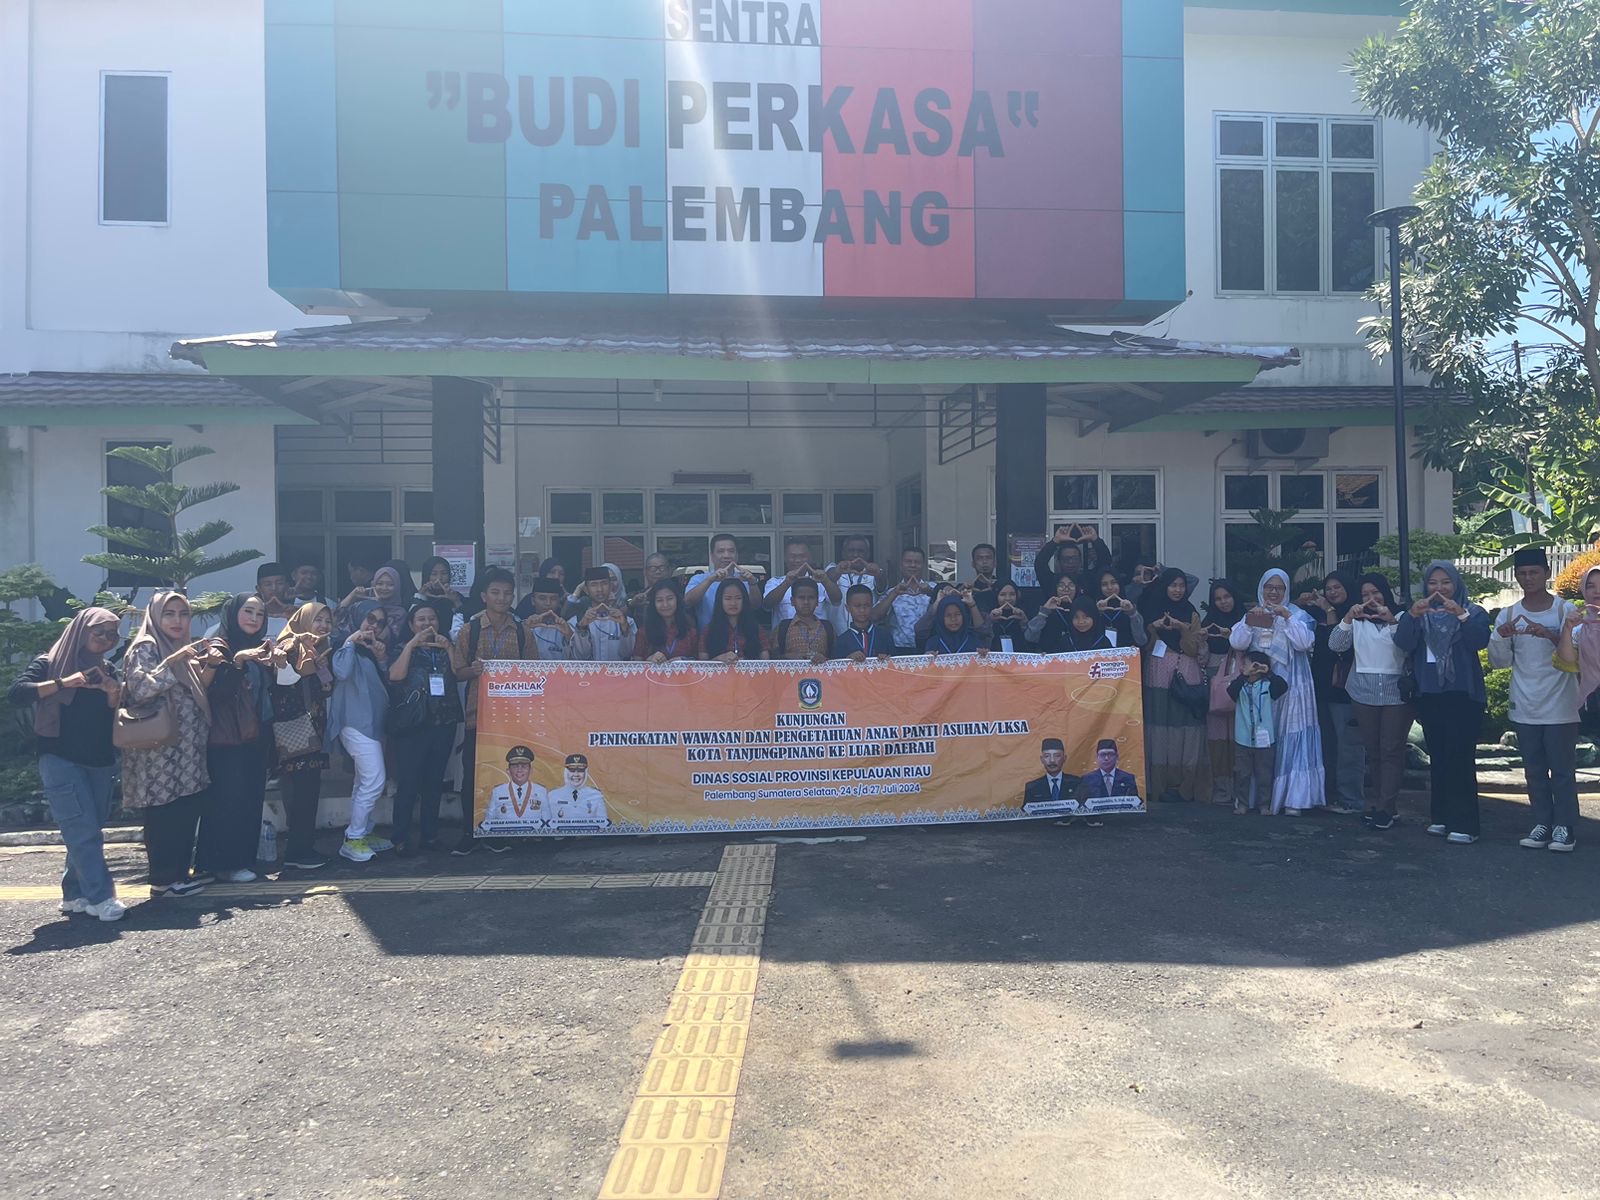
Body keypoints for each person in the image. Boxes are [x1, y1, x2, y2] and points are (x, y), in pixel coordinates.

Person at [8, 608, 126, 920]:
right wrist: (64, 682)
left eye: (112, 635)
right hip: (59, 757)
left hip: (100, 759)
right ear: (81, 631)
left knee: (89, 828)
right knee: (82, 829)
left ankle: (74, 894)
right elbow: (17, 693)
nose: (105, 639)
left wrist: (112, 691)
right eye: (99, 632)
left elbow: (113, 715)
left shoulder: (107, 669)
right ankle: (101, 897)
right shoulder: (48, 663)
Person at [120, 591, 221, 897]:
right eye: (169, 614)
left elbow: (193, 689)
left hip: (186, 748)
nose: (178, 621)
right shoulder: (147, 646)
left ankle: (179, 875)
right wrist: (172, 663)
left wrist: (208, 665)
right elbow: (140, 688)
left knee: (184, 810)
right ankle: (164, 880)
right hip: (159, 749)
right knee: (164, 813)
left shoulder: (178, 647)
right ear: (155, 616)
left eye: (183, 614)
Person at [1393, 560, 1491, 844]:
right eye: (1433, 583)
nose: (1440, 588)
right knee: (1439, 756)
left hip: (1463, 694)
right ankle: (1442, 816)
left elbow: (1478, 641)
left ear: (1456, 584)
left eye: (1446, 582)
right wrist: (1412, 615)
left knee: (1460, 756)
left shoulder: (1473, 612)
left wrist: (1460, 614)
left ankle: (1466, 824)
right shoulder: (1420, 614)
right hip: (1430, 693)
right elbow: (1404, 643)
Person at [1490, 548, 1581, 852]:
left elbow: (1578, 656)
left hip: (1562, 703)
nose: (1527, 578)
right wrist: (1501, 636)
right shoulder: (1508, 614)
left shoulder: (1565, 610)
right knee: (1533, 769)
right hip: (1525, 702)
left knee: (1563, 770)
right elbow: (1499, 662)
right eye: (1522, 573)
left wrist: (1551, 635)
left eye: (1534, 572)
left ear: (1546, 574)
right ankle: (1542, 822)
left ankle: (1564, 826)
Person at [196, 594, 280, 883]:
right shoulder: (220, 646)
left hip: (254, 737)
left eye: (260, 613)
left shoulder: (261, 647)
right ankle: (221, 863)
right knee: (227, 799)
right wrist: (239, 662)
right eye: (248, 611)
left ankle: (241, 860)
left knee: (249, 799)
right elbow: (216, 694)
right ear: (233, 614)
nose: (254, 618)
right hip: (227, 739)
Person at [1229, 569, 1324, 815]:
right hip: (1258, 688)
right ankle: (1258, 799)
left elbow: (1304, 643)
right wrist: (1250, 620)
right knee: (1262, 737)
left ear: (1286, 590)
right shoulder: (1254, 614)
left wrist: (1287, 616)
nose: (1273, 592)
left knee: (1290, 733)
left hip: (1291, 684)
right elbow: (1237, 642)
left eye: (1279, 588)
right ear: (1262, 588)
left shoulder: (1298, 614)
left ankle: (1293, 798)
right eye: (1269, 587)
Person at [450, 567, 528, 855]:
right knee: (473, 776)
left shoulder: (522, 632)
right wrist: (473, 670)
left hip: (511, 718)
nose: (502, 598)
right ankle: (469, 832)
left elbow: (534, 671)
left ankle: (498, 830)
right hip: (477, 715)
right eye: (495, 592)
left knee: (503, 775)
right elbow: (457, 671)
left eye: (507, 593)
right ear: (483, 596)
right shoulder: (469, 631)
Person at [1329, 573, 1411, 831]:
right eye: (1365, 595)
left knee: (1391, 749)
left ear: (1385, 592)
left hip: (1395, 692)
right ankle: (1384, 806)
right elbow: (1335, 645)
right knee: (1373, 750)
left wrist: (1390, 620)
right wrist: (1348, 617)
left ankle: (1387, 807)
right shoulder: (1358, 621)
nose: (1371, 599)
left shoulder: (1401, 617)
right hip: (1363, 692)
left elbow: (1408, 645)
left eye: (1375, 593)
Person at [387, 600, 463, 853]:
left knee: (434, 782)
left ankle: (430, 835)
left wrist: (448, 648)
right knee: (409, 782)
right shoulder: (401, 647)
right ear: (411, 624)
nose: (427, 623)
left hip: (443, 721)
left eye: (432, 618)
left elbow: (459, 673)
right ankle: (400, 837)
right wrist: (412, 644)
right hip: (413, 725)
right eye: (421, 619)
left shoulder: (445, 648)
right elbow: (395, 676)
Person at [327, 601, 394, 863]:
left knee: (363, 781)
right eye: (369, 618)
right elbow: (341, 672)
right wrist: (351, 640)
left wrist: (382, 658)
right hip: (355, 724)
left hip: (374, 725)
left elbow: (386, 682)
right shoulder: (343, 645)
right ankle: (353, 838)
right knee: (375, 780)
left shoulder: (370, 650)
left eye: (380, 622)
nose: (373, 625)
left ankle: (363, 831)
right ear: (357, 618)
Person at [1139, 568, 1211, 805]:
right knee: (1159, 727)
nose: (1178, 590)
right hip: (1157, 676)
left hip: (1186, 674)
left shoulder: (1190, 612)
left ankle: (1184, 787)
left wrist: (1182, 627)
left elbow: (1192, 648)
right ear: (1164, 586)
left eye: (1181, 586)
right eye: (1173, 585)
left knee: (1185, 728)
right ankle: (1158, 786)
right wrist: (1153, 626)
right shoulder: (1150, 610)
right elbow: (1144, 644)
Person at [271, 602, 335, 869]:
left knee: (309, 789)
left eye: (327, 621)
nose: (323, 625)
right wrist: (304, 657)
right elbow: (283, 682)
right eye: (318, 619)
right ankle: (297, 852)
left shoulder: (321, 648)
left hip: (313, 729)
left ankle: (303, 847)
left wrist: (322, 668)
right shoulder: (288, 645)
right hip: (294, 728)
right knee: (299, 792)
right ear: (304, 620)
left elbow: (326, 689)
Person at [1302, 571, 1367, 814]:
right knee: (1326, 745)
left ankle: (1351, 799)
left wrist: (1329, 612)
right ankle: (1328, 795)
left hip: (1345, 691)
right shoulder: (1319, 614)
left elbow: (1337, 646)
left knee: (1348, 747)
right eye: (1328, 588)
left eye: (1337, 587)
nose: (1332, 592)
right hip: (1321, 690)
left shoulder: (1357, 614)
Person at [1200, 580, 1247, 807]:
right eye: (1218, 599)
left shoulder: (1245, 621)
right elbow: (1201, 659)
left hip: (1240, 683)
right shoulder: (1208, 622)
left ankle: (1242, 790)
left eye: (1227, 597)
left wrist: (1234, 637)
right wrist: (1201, 640)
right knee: (1217, 739)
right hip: (1215, 686)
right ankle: (1222, 789)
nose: (1223, 602)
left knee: (1241, 737)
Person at [1226, 651, 1289, 815]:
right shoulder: (1240, 686)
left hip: (1265, 739)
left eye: (1246, 664)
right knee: (1242, 773)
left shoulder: (1268, 685)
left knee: (1264, 774)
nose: (1244, 667)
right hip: (1243, 737)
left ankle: (1264, 804)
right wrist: (1244, 675)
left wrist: (1267, 671)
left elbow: (1283, 687)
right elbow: (1230, 691)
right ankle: (1242, 803)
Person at [871, 547, 936, 656]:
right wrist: (895, 593)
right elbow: (874, 616)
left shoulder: (934, 588)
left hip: (929, 649)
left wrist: (930, 593)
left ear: (923, 566)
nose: (913, 565)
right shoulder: (892, 592)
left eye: (917, 562)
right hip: (899, 651)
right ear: (901, 565)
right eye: (908, 561)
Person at [685, 534, 758, 630]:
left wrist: (752, 583)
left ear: (737, 555)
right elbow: (688, 602)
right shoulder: (699, 579)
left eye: (731, 551)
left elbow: (755, 606)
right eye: (721, 551)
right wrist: (710, 580)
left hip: (741, 635)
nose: (726, 556)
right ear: (712, 556)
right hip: (708, 636)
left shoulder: (745, 578)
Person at [335, 564, 408, 658]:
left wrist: (378, 604)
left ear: (397, 586)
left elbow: (382, 637)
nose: (384, 588)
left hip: (379, 657)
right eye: (380, 584)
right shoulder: (363, 605)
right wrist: (352, 595)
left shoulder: (399, 613)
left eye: (390, 584)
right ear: (373, 584)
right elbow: (336, 620)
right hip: (350, 653)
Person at [766, 538, 843, 626]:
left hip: (817, 633)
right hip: (785, 633)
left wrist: (826, 580)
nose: (797, 560)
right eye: (792, 556)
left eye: (802, 556)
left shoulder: (821, 582)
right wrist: (786, 583)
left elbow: (837, 600)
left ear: (810, 558)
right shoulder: (775, 582)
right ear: (785, 558)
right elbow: (767, 605)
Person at [479, 746, 549, 834]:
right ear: (508, 771)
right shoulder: (497, 792)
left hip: (533, 838)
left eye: (524, 766)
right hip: (505, 837)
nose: (519, 770)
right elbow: (489, 821)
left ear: (531, 770)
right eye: (515, 766)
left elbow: (547, 822)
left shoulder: (541, 791)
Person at [572, 567, 637, 662]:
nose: (600, 589)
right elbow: (579, 657)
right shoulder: (575, 622)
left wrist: (624, 628)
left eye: (604, 583)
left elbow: (628, 655)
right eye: (594, 585)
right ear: (586, 590)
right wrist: (582, 628)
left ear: (611, 587)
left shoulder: (627, 621)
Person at [826, 535, 885, 632]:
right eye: (851, 551)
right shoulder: (834, 569)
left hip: (867, 635)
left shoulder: (875, 572)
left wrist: (878, 574)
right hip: (838, 635)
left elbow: (882, 584)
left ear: (868, 554)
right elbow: (829, 577)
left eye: (860, 551)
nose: (855, 554)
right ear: (843, 553)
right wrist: (838, 571)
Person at [702, 579, 769, 662]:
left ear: (744, 600)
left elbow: (766, 662)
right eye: (728, 598)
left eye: (738, 598)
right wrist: (718, 659)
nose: (733, 603)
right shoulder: (709, 630)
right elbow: (701, 664)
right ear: (720, 601)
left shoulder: (756, 629)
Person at [1034, 524, 1111, 596]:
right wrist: (1055, 540)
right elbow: (1040, 564)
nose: (1070, 562)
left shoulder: (1089, 580)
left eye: (1074, 558)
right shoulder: (1051, 581)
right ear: (1058, 561)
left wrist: (1095, 539)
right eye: (1066, 559)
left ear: (1080, 561)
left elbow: (1105, 563)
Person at [634, 579, 700, 662]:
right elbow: (636, 663)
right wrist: (649, 660)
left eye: (670, 599)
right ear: (653, 604)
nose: (665, 604)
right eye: (659, 600)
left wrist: (684, 660)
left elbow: (700, 661)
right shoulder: (643, 632)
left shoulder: (691, 631)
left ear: (677, 600)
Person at [772, 578, 836, 663]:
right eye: (801, 598)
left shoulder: (827, 627)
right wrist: (787, 657)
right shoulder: (783, 627)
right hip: (791, 671)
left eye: (811, 598)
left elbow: (837, 658)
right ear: (792, 601)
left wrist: (825, 660)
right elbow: (772, 658)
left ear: (817, 601)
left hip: (821, 671)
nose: (806, 602)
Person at [1022, 737, 1080, 817]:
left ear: (1064, 758)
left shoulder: (1077, 783)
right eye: (1047, 756)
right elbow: (1026, 814)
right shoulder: (1032, 787)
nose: (1052, 760)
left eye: (1057, 756)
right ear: (1041, 759)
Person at [1079, 739, 1140, 814]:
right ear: (1097, 757)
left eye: (1110, 754)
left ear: (1117, 756)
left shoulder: (1128, 778)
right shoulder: (1087, 779)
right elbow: (1082, 805)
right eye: (1102, 754)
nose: (1106, 758)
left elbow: (1135, 803)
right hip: (1096, 818)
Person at [919, 591, 989, 656]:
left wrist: (984, 656)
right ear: (941, 618)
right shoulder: (933, 643)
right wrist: (927, 659)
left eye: (957, 614)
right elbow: (919, 630)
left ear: (964, 616)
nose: (953, 619)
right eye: (948, 615)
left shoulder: (974, 641)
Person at [1025, 575, 1083, 652]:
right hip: (1049, 657)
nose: (1066, 589)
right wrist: (1044, 612)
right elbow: (1030, 637)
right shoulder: (1047, 609)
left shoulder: (1083, 608)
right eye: (1061, 585)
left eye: (1071, 585)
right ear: (1055, 588)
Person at [525, 577, 576, 660]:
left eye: (553, 599)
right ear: (533, 601)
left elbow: (580, 659)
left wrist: (569, 636)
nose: (548, 603)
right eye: (542, 598)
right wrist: (525, 630)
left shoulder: (567, 628)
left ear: (559, 601)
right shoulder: (523, 626)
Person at [835, 585, 890, 661]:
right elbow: (836, 665)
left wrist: (887, 659)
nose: (862, 610)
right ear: (848, 608)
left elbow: (897, 662)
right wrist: (847, 659)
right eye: (857, 606)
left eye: (867, 605)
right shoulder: (841, 641)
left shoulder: (885, 636)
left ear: (872, 606)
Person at [555, 753, 609, 828]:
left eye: (580, 770)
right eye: (572, 770)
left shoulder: (596, 795)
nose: (576, 774)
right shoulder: (553, 795)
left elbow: (603, 824)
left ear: (585, 772)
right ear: (566, 771)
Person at [1094, 570, 1145, 649]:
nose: (1110, 587)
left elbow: (1142, 640)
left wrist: (1132, 614)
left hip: (1127, 654)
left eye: (1113, 583)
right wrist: (1096, 614)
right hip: (1101, 654)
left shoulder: (1130, 606)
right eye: (1104, 584)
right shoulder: (1093, 607)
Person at [417, 555, 465, 634]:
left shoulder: (457, 596)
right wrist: (420, 596)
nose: (439, 578)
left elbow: (466, 622)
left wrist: (455, 601)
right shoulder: (420, 596)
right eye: (434, 574)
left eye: (444, 573)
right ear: (426, 575)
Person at [628, 553, 674, 626]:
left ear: (669, 571)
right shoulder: (636, 597)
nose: (658, 572)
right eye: (653, 568)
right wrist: (631, 605)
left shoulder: (679, 594)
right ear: (645, 572)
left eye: (662, 568)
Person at [986, 582, 1030, 654]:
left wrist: (1024, 621)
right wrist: (990, 621)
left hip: (1019, 658)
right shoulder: (987, 612)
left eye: (1012, 594)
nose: (1008, 598)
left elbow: (1031, 639)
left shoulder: (1025, 612)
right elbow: (983, 639)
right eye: (1002, 594)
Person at [255, 562, 296, 634]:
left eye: (279, 583)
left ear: (287, 586)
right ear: (259, 589)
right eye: (268, 584)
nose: (274, 588)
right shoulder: (250, 615)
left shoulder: (297, 614)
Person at [967, 543, 1002, 615]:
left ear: (995, 563)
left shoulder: (1003, 587)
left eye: (988, 558)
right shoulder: (966, 588)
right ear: (973, 563)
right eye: (980, 558)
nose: (984, 562)